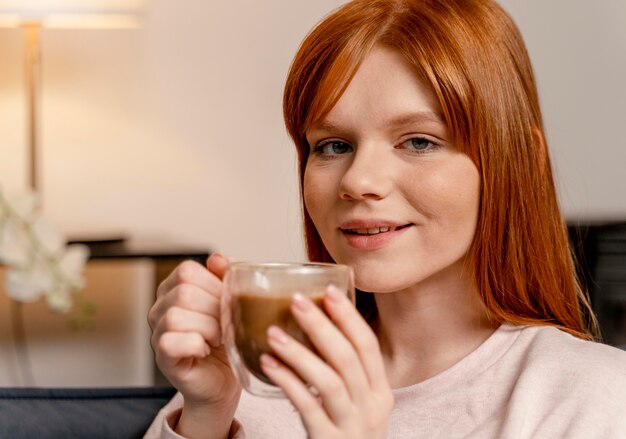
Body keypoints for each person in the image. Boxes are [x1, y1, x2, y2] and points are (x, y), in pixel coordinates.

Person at [145, 0, 626, 437]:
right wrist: (206, 413)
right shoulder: (253, 381)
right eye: (334, 145)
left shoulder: (591, 400)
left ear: (521, 160)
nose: (358, 181)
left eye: (419, 141)